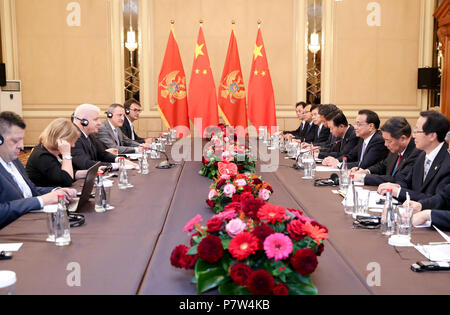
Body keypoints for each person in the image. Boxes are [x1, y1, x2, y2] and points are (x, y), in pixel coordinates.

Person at [0, 111, 76, 229]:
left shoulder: (14, 160)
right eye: (15, 141)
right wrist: (41, 200)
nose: (21, 146)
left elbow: (31, 190)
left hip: (28, 222)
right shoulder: (38, 156)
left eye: (22, 140)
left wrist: (56, 191)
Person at [378, 111, 450, 202]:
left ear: (432, 136)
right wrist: (396, 186)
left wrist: (399, 192)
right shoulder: (422, 155)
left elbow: (437, 201)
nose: (413, 135)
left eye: (417, 131)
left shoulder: (447, 162)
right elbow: (407, 181)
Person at [352, 117, 421, 186]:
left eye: (388, 141)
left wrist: (364, 178)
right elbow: (383, 165)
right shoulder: (396, 148)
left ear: (402, 139)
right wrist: (366, 171)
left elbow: (397, 179)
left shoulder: (416, 153)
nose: (385, 144)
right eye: (384, 140)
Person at [71, 104, 137, 171]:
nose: (99, 123)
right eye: (96, 119)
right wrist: (116, 165)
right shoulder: (73, 137)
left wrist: (119, 160)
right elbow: (85, 164)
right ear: (84, 122)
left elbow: (102, 154)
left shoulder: (90, 135)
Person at [26, 118, 88, 187]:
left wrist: (86, 173)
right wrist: (66, 154)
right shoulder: (42, 156)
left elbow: (64, 173)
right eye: (71, 141)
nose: (73, 145)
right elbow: (66, 180)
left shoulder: (54, 152)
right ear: (62, 140)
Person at [323, 110, 388, 169]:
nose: (355, 127)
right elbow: (351, 156)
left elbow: (365, 164)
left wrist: (339, 164)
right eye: (355, 124)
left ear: (371, 126)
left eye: (358, 124)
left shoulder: (378, 140)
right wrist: (335, 160)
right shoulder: (362, 139)